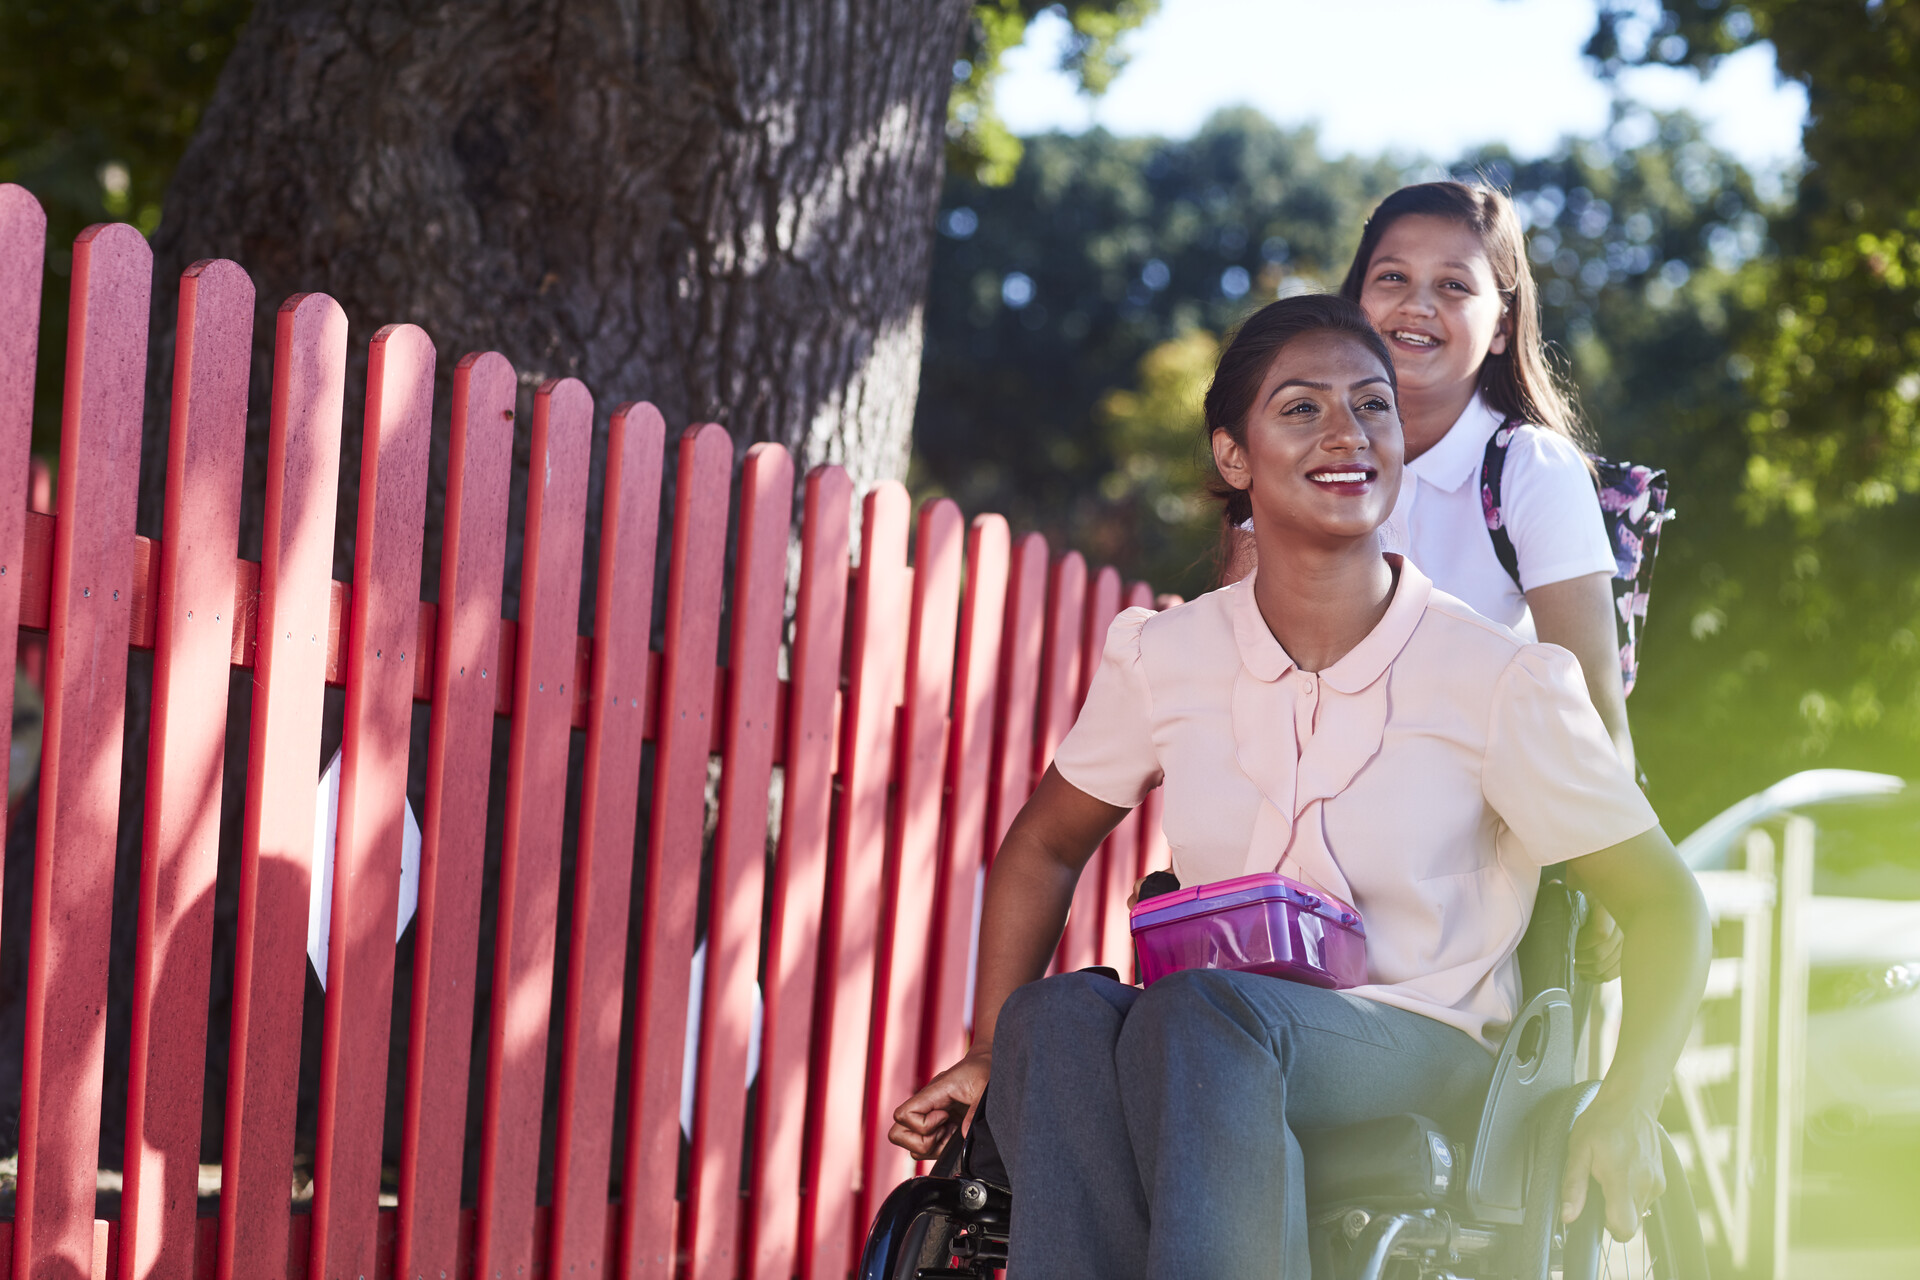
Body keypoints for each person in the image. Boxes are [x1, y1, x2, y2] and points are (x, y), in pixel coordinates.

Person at [888, 295, 1709, 1280]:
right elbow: (1044, 843)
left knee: (1200, 1013)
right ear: (1233, 455)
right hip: (1206, 1040)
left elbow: (1665, 902)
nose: (1346, 433)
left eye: (1372, 405)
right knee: (1055, 1019)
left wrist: (1624, 1101)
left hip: (1422, 1041)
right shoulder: (1168, 652)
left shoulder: (1498, 677)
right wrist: (988, 1047)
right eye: (1302, 408)